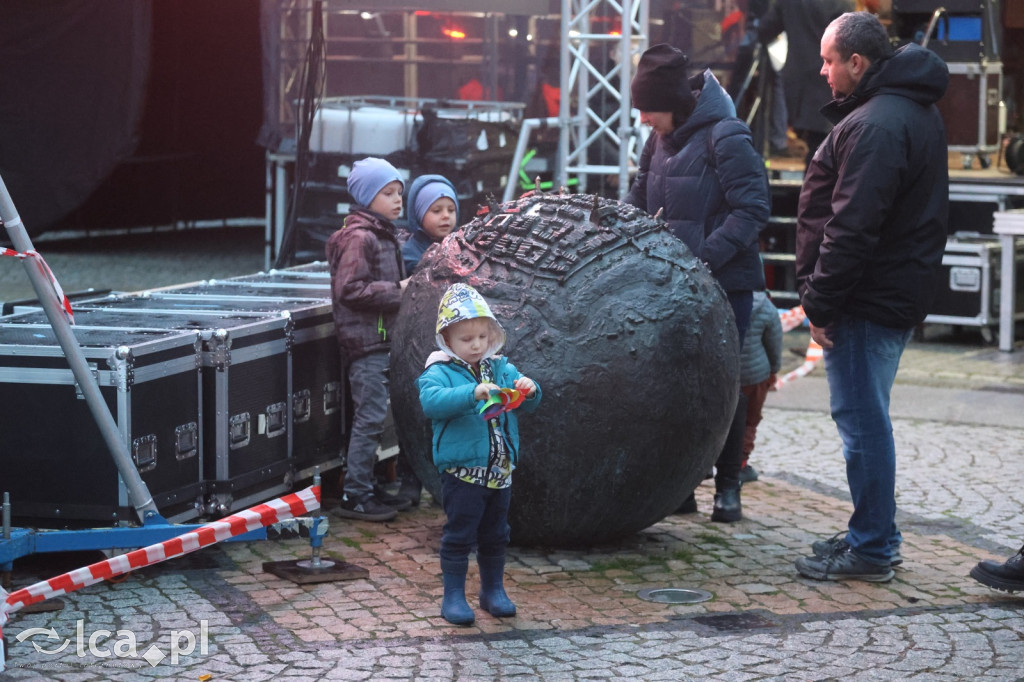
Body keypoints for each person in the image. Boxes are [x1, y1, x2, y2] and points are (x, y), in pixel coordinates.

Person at [792, 12, 949, 582]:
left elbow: (852, 226)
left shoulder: (878, 123)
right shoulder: (904, 110)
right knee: (867, 419)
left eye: (830, 60)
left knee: (862, 424)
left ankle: (874, 547)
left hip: (866, 299)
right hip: (887, 291)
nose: (822, 69)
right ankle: (875, 534)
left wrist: (821, 303)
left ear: (857, 63)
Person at [626, 43, 771, 523]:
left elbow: (752, 209)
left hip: (724, 285)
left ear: (675, 103)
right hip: (667, 285)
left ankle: (728, 486)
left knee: (722, 386)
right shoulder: (657, 141)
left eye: (650, 111)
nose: (645, 121)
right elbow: (636, 198)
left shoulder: (726, 134)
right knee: (672, 385)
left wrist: (701, 260)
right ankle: (682, 484)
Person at [416, 283, 542, 625]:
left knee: (496, 533)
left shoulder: (500, 367)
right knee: (459, 534)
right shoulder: (438, 372)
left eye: (482, 337)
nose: (476, 345)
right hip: (463, 473)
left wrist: (529, 389)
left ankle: (493, 591)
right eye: (466, 339)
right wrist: (472, 392)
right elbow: (432, 403)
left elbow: (527, 396)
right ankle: (453, 596)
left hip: (500, 471)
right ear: (447, 340)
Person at [326, 157, 411, 522]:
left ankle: (368, 484)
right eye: (387, 193)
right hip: (366, 344)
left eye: (399, 193)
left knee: (377, 416)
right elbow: (350, 289)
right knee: (370, 416)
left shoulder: (382, 233)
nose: (397, 200)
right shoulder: (360, 238)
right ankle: (356, 494)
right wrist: (399, 290)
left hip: (382, 341)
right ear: (366, 197)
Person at [758, 0, 855, 166]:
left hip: (798, 78)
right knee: (830, 147)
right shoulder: (841, 3)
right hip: (830, 77)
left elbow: (765, 30)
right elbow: (852, 39)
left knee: (816, 146)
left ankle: (813, 188)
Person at [738, 290, 783, 483]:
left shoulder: (720, 295)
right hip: (755, 377)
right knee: (749, 421)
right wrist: (773, 370)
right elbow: (774, 343)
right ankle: (741, 465)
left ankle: (706, 465)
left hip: (722, 372)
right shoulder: (766, 306)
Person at [402, 174, 460, 274]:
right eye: (437, 211)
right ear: (419, 214)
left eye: (451, 210)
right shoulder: (410, 253)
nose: (446, 215)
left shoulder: (463, 245)